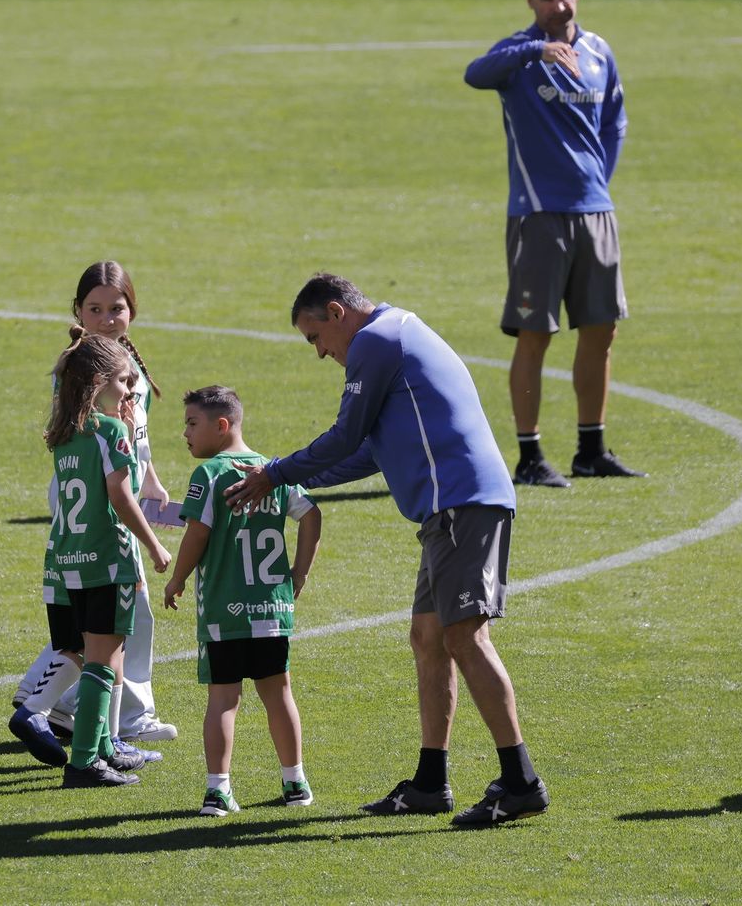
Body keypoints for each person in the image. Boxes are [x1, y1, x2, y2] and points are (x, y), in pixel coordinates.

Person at [226, 272, 547, 827]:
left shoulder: (376, 341)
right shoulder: (397, 332)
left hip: (461, 503)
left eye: (315, 337)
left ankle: (520, 782)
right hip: (449, 508)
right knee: (428, 638)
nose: (320, 352)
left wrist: (274, 473)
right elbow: (367, 453)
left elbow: (346, 434)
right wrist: (285, 481)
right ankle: (430, 782)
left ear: (336, 312)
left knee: (465, 636)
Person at [464, 0, 644, 488]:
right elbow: (475, 74)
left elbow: (615, 122)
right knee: (534, 335)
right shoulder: (518, 55)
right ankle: (529, 456)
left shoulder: (599, 52)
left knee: (601, 331)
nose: (558, 6)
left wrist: (598, 179)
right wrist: (535, 51)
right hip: (537, 216)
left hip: (595, 212)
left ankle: (591, 449)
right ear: (530, 0)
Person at [12, 261, 179, 752]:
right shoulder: (84, 367)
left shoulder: (124, 366)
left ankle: (72, 707)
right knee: (114, 616)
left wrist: (150, 477)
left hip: (110, 493)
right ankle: (98, 719)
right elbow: (108, 436)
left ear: (133, 311)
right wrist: (150, 537)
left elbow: (135, 434)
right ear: (78, 312)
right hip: (102, 505)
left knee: (104, 615)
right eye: (95, 309)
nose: (107, 318)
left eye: (117, 308)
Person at [161, 385, 322, 817]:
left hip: (224, 610)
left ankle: (217, 790)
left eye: (192, 423)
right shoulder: (272, 472)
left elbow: (197, 533)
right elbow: (312, 515)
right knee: (279, 693)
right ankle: (295, 782)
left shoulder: (211, 474)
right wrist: (299, 573)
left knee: (223, 699)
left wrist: (177, 578)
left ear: (221, 425)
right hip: (270, 608)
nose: (185, 433)